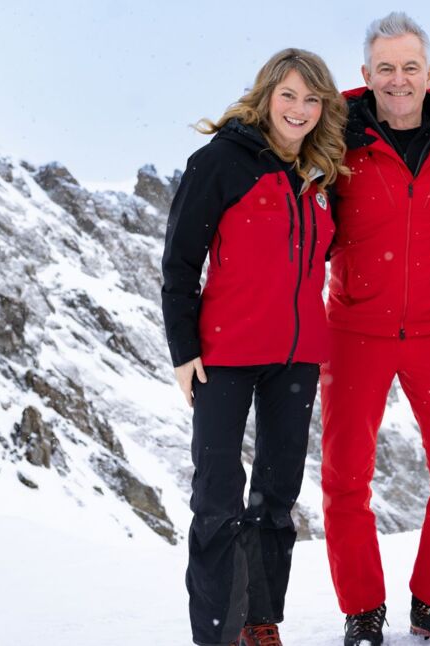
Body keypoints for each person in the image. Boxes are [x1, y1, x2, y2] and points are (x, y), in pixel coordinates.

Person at [160, 48, 348, 646]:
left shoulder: (321, 175)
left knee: (276, 495)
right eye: (288, 95)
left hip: (295, 358)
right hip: (225, 357)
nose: (299, 109)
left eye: (312, 99)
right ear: (267, 94)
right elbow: (180, 262)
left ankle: (259, 620)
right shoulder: (221, 162)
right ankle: (218, 630)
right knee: (217, 495)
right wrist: (183, 350)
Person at [320, 12, 430, 646]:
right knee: (344, 477)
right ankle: (363, 609)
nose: (397, 79)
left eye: (409, 67)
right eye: (384, 68)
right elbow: (271, 144)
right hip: (353, 328)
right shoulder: (332, 137)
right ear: (366, 74)